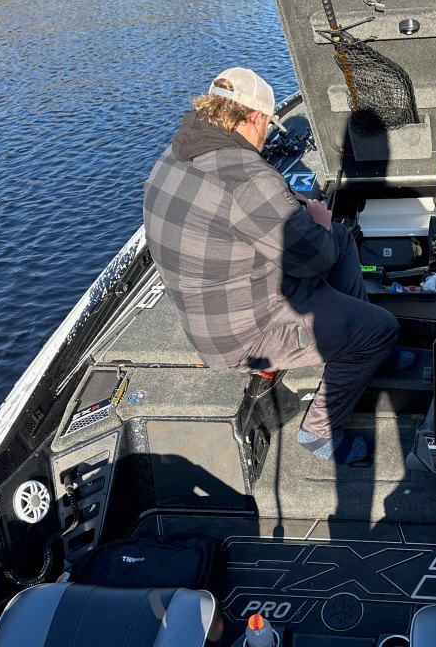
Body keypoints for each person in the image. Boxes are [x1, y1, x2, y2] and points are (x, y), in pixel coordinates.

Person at [143, 66, 410, 465]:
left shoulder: (173, 156)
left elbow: (233, 216)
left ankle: (360, 342)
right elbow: (317, 257)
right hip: (245, 336)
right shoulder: (248, 178)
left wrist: (296, 214)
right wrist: (317, 221)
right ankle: (320, 431)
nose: (267, 134)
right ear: (253, 117)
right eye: (268, 124)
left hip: (216, 310)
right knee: (380, 327)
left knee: (340, 237)